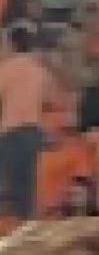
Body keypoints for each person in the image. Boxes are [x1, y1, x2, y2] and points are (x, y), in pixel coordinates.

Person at [0, 25, 51, 219]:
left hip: (10, 132)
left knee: (9, 183)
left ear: (12, 44)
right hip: (32, 132)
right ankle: (26, 223)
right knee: (28, 186)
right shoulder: (39, 69)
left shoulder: (6, 68)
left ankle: (10, 226)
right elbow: (46, 99)